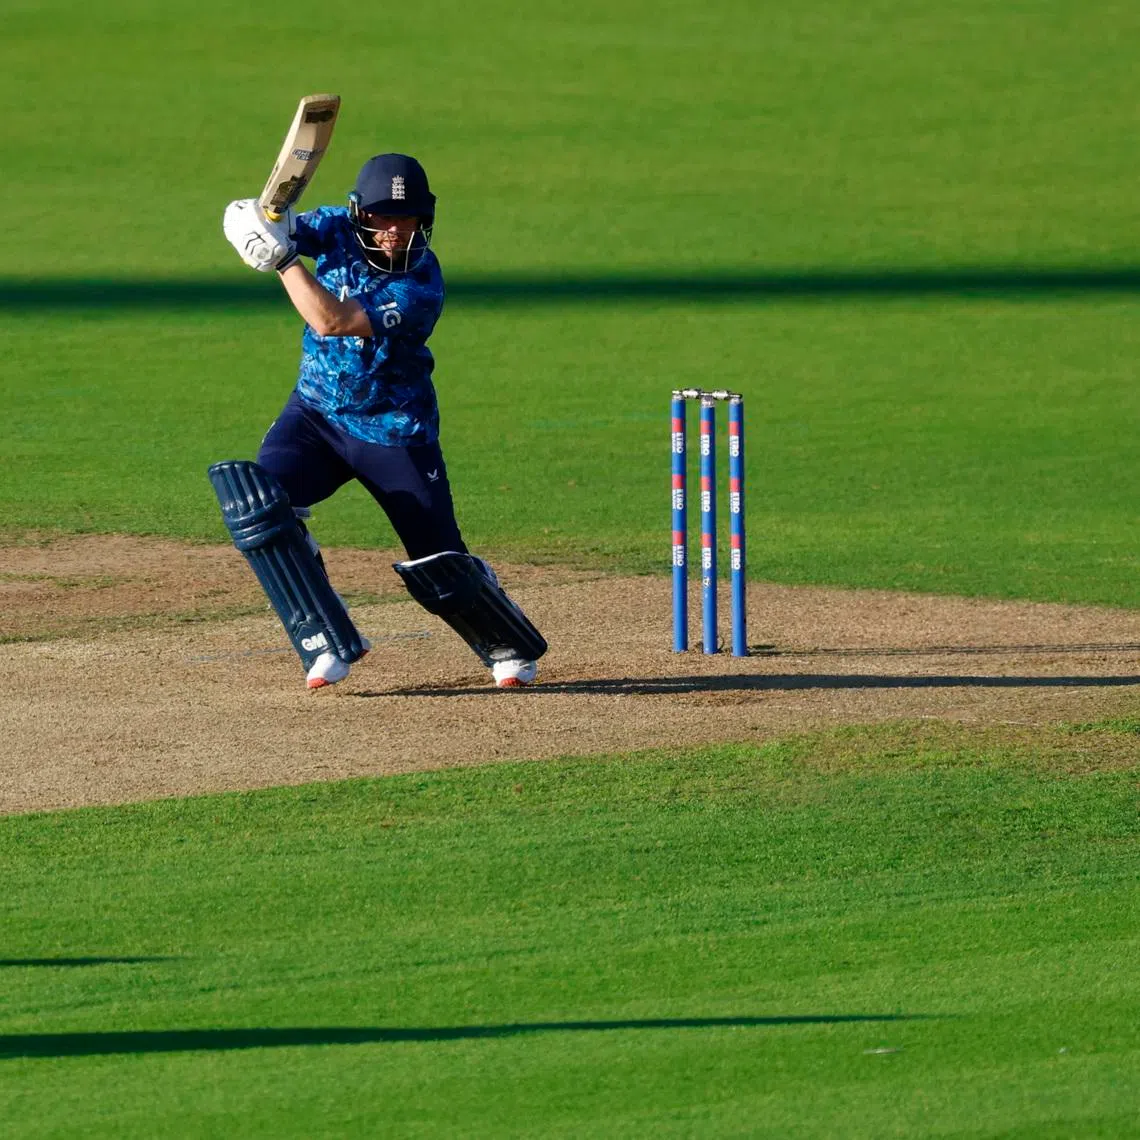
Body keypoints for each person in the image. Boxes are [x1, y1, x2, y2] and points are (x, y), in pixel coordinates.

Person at [217, 154, 546, 690]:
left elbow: (332, 321)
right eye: (382, 218)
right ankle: (324, 630)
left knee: (438, 565)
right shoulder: (337, 227)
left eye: (407, 217)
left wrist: (282, 264)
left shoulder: (421, 285)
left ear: (425, 219)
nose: (394, 230)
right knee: (262, 506)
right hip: (316, 416)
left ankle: (503, 641)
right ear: (359, 214)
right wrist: (249, 219)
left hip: (395, 432)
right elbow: (284, 226)